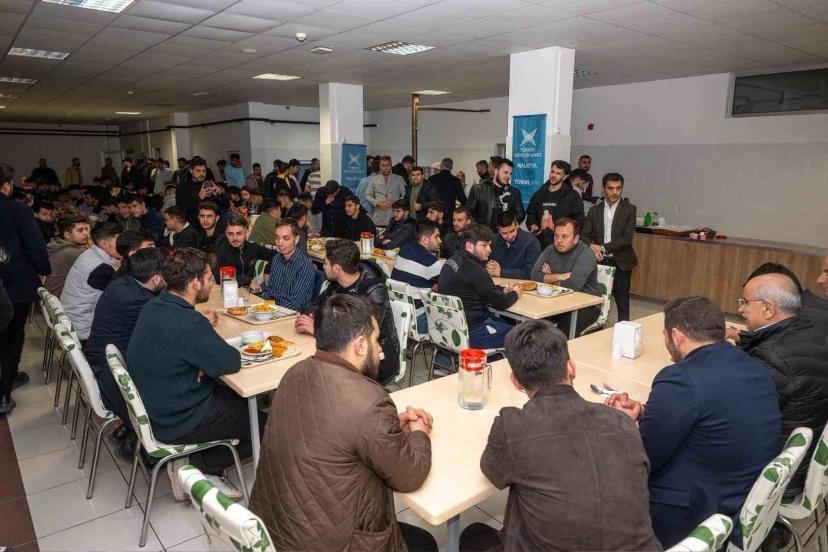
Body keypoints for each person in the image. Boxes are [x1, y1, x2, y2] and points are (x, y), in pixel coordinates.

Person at [251, 294, 435, 551]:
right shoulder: (369, 401)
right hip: (333, 544)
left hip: (276, 535)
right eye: (376, 340)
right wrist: (419, 433)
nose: (381, 350)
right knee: (426, 543)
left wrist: (390, 425)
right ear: (359, 346)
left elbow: (335, 431)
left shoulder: (294, 373)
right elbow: (410, 476)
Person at [460, 319, 661, 552]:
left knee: (473, 535)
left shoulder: (512, 425)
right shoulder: (623, 422)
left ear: (515, 381)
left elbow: (493, 473)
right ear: (571, 367)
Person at [606, 296, 781, 549]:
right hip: (743, 496)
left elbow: (642, 458)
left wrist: (621, 423)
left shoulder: (680, 379)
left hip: (698, 512)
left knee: (601, 475)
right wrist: (645, 411)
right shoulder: (753, 365)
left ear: (676, 336)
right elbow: (710, 416)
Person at [127, 247, 259, 498]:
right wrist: (203, 355)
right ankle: (199, 468)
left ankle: (194, 460)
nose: (212, 283)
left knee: (233, 398)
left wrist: (199, 361)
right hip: (177, 419)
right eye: (209, 278)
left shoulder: (154, 305)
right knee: (262, 425)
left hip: (156, 405)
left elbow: (179, 348)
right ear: (194, 282)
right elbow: (231, 361)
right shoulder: (190, 323)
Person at [730, 273, 828, 500]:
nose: (741, 309)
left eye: (745, 302)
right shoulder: (808, 331)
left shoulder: (773, 360)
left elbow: (734, 415)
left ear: (768, 309)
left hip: (778, 478)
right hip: (805, 459)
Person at [84, 248, 165, 457]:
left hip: (99, 359)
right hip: (111, 375)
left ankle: (128, 430)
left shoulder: (122, 283)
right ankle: (141, 440)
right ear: (156, 278)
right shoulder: (141, 301)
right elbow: (166, 333)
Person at [295, 239, 400, 384]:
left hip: (376, 359)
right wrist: (308, 318)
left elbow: (359, 333)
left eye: (325, 263)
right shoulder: (336, 284)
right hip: (343, 351)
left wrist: (317, 328)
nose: (323, 266)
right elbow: (316, 306)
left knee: (318, 374)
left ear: (337, 268)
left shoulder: (374, 290)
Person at [0, 163, 51, 414]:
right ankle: (5, 388)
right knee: (12, 333)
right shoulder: (17, 209)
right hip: (14, 282)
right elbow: (35, 243)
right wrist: (43, 269)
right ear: (6, 186)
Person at [438, 223, 522, 349]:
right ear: (469, 245)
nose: (489, 250)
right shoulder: (474, 269)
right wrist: (515, 293)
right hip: (473, 332)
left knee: (503, 323)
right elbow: (501, 303)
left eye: (489, 245)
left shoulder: (452, 261)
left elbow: (481, 288)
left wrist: (502, 289)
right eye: (484, 245)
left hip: (450, 328)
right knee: (522, 335)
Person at [581, 172, 637, 321]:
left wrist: (602, 247)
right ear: (603, 189)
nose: (614, 192)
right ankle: (594, 326)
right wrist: (592, 247)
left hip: (622, 261)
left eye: (618, 188)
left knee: (622, 298)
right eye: (610, 188)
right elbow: (584, 235)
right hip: (599, 260)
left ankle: (624, 328)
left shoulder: (630, 209)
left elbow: (626, 238)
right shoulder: (594, 210)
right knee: (596, 296)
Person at [530, 218, 601, 335]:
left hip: (586, 305)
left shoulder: (586, 254)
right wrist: (560, 277)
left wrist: (548, 278)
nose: (559, 241)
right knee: (532, 324)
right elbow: (534, 275)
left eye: (565, 236)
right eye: (556, 236)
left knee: (561, 333)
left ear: (576, 238)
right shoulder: (550, 249)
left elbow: (572, 286)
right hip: (557, 300)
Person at [60, 222, 122, 341]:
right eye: (119, 241)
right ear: (103, 243)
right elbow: (118, 297)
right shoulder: (101, 268)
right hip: (84, 328)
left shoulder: (89, 254)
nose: (123, 245)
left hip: (71, 316)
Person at [390, 220, 444, 334]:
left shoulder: (403, 250)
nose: (440, 240)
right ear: (425, 239)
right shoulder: (432, 263)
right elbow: (444, 287)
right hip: (418, 321)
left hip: (397, 314)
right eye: (436, 236)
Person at [260, 218, 315, 312]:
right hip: (274, 310)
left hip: (293, 315)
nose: (279, 243)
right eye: (277, 238)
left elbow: (294, 305)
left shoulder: (304, 265)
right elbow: (268, 291)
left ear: (296, 239)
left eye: (286, 238)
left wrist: (271, 309)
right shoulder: (276, 258)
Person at [212, 213, 273, 288]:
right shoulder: (220, 251)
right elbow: (221, 278)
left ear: (247, 232)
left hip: (250, 293)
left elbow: (275, 255)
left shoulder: (252, 248)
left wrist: (267, 269)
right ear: (225, 233)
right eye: (230, 234)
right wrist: (247, 281)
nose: (235, 238)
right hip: (228, 292)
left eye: (239, 233)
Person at [526, 160, 584, 233]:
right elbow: (531, 214)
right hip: (540, 237)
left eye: (558, 173)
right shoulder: (539, 194)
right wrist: (532, 224)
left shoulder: (573, 196)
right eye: (552, 172)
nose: (553, 175)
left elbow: (579, 220)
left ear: (565, 177)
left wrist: (564, 231)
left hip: (562, 238)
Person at [467, 158, 525, 230]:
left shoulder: (514, 193)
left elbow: (521, 214)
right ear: (496, 171)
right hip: (483, 234)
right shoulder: (477, 190)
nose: (508, 176)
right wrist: (479, 229)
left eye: (510, 174)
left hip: (504, 235)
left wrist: (508, 224)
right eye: (505, 172)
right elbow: (468, 213)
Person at [488, 211, 541, 280]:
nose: (509, 236)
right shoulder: (492, 240)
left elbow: (531, 273)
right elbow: (482, 264)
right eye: (504, 233)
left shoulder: (531, 242)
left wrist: (501, 272)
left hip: (522, 284)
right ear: (498, 230)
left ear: (517, 225)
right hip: (495, 283)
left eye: (512, 231)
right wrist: (489, 267)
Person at [45, 215, 90, 296]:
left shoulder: (57, 244)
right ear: (67, 235)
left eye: (86, 229)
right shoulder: (73, 252)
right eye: (80, 230)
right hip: (61, 298)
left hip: (50, 296)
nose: (86, 233)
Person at [417, 157, 467, 223]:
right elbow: (462, 199)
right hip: (449, 215)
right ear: (451, 167)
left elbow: (423, 197)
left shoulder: (432, 179)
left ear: (441, 166)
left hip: (434, 214)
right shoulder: (456, 180)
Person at [176, 156, 220, 227]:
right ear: (191, 171)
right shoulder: (183, 187)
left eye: (204, 171)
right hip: (193, 225)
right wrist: (199, 197)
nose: (201, 174)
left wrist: (219, 195)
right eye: (198, 171)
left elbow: (224, 206)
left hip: (212, 224)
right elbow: (180, 208)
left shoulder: (209, 184)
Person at [365, 155, 406, 227]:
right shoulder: (374, 179)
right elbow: (367, 195)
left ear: (391, 165)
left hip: (395, 217)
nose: (385, 168)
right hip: (379, 217)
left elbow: (405, 195)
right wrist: (377, 203)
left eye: (388, 165)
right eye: (383, 165)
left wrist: (395, 203)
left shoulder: (399, 179)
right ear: (380, 166)